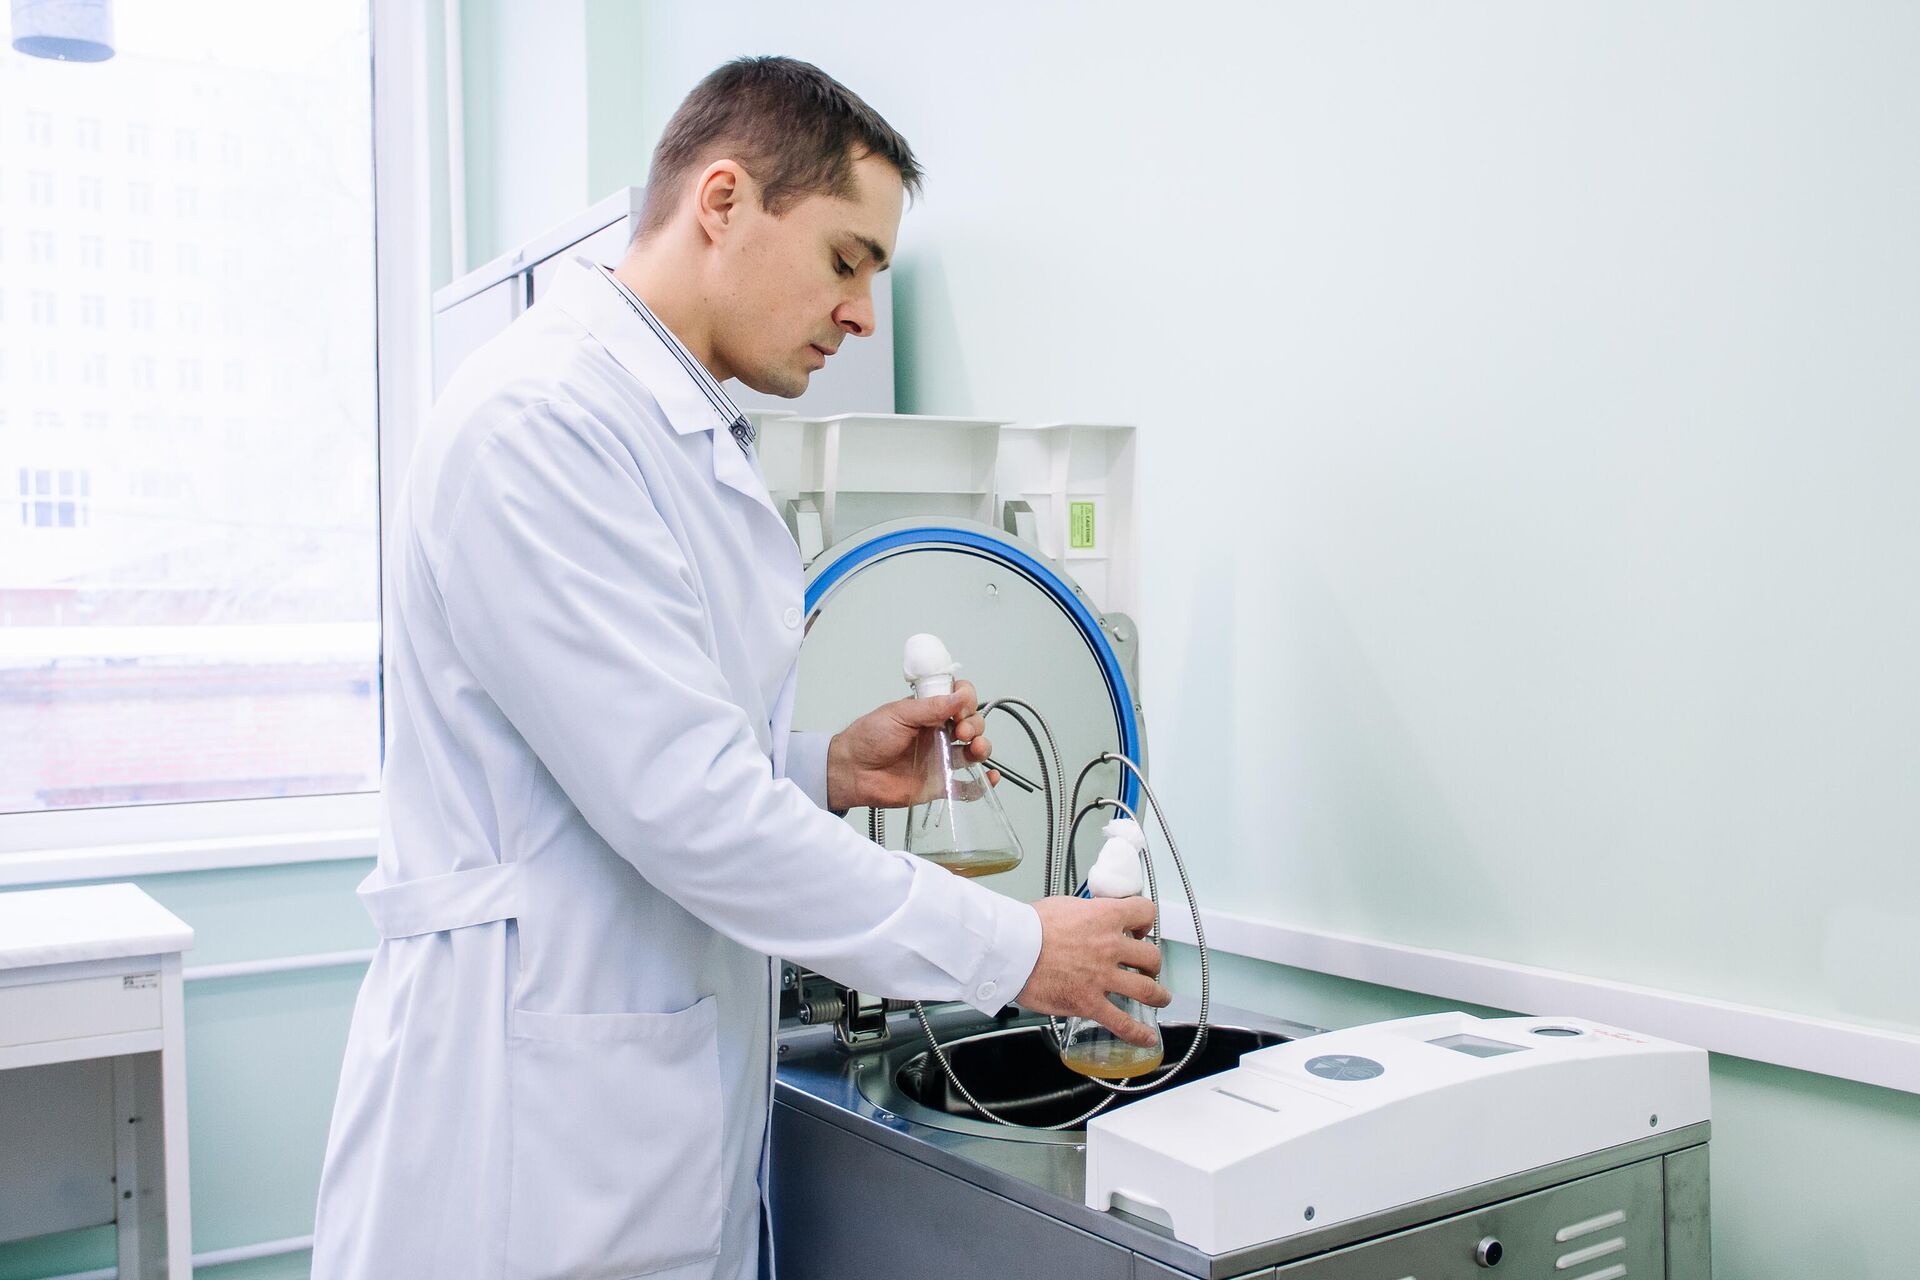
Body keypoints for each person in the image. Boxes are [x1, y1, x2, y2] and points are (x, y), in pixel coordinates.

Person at [311, 55, 1168, 1280]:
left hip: (627, 1108)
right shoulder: (542, 421)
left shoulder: (673, 421)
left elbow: (632, 756)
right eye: (846, 258)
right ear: (722, 201)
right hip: (523, 1144)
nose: (865, 311)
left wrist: (822, 764)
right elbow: (691, 810)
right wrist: (1019, 946)